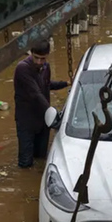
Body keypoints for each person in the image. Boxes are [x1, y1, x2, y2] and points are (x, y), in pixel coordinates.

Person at [13, 40, 69, 168]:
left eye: (42, 59)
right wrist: (52, 113)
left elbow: (47, 85)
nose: (39, 62)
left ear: (47, 56)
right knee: (26, 162)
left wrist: (65, 83)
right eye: (36, 58)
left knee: (41, 158)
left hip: (43, 119)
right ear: (31, 53)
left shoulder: (46, 67)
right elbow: (36, 93)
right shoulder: (22, 68)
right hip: (26, 120)